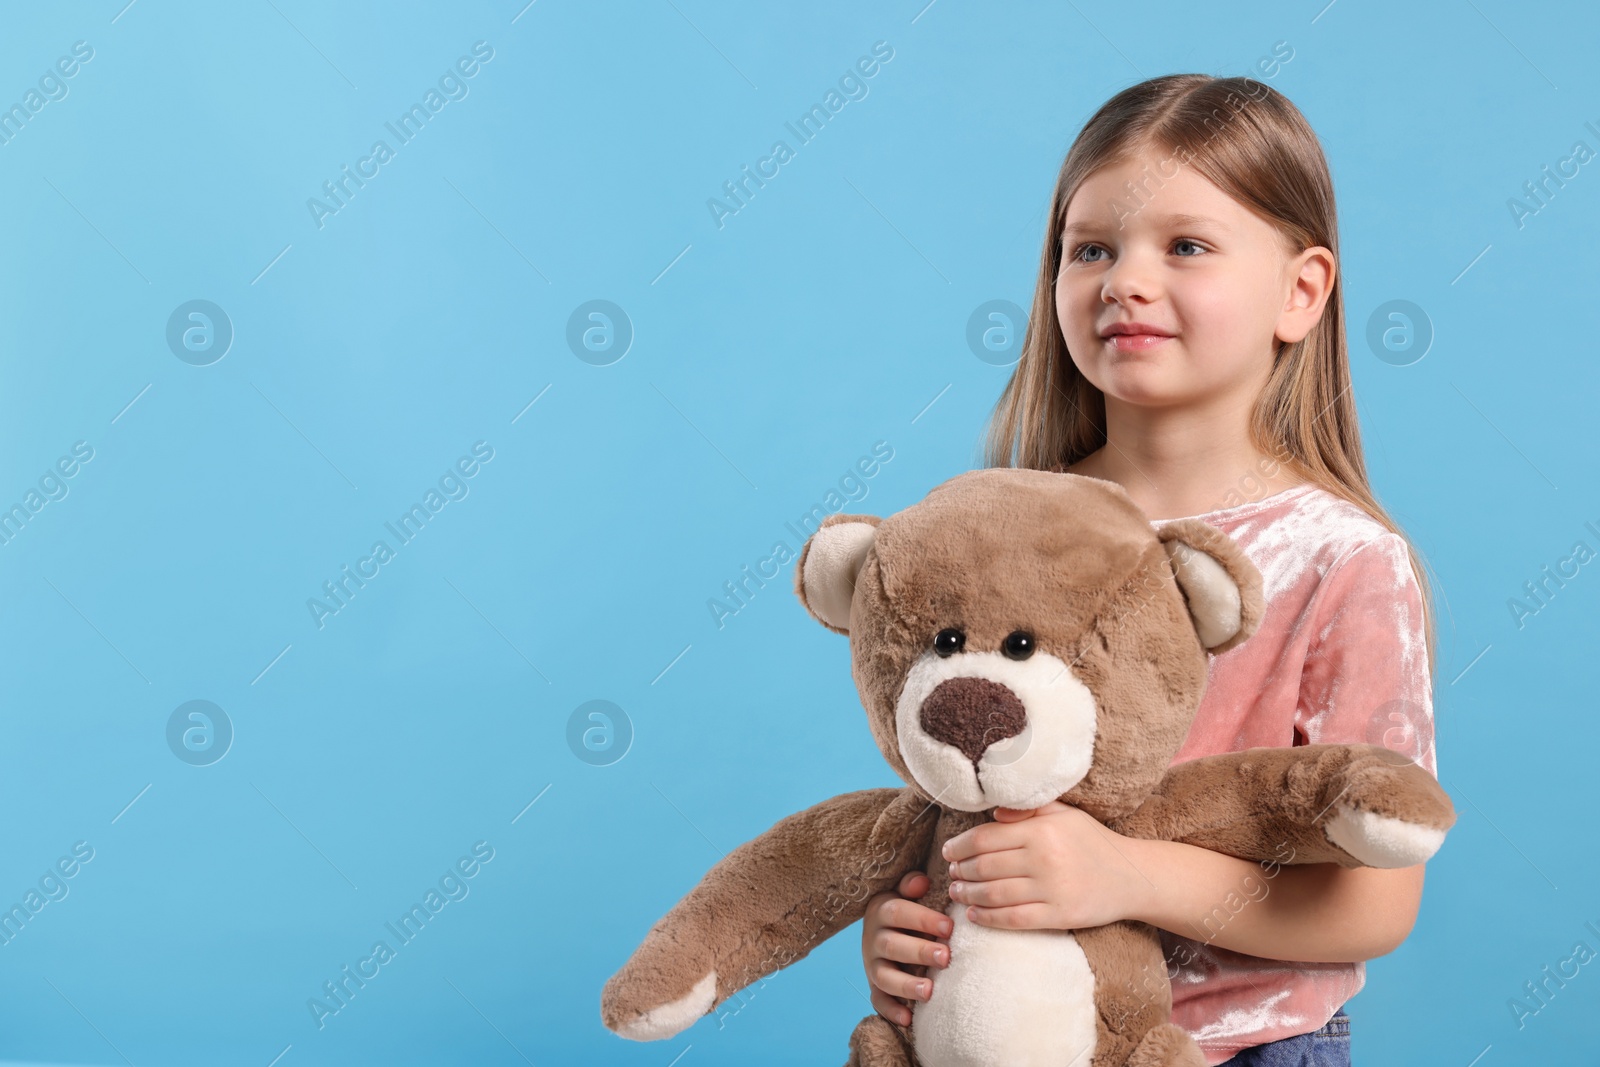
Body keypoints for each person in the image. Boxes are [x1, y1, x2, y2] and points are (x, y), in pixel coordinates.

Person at [859, 73, 1439, 1066]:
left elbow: (1372, 899)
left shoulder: (1342, 559)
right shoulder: (1011, 524)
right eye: (1090, 248)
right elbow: (957, 786)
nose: (1124, 278)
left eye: (1185, 246)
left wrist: (1123, 874)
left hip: (1242, 1049)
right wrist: (912, 930)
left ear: (1299, 291)